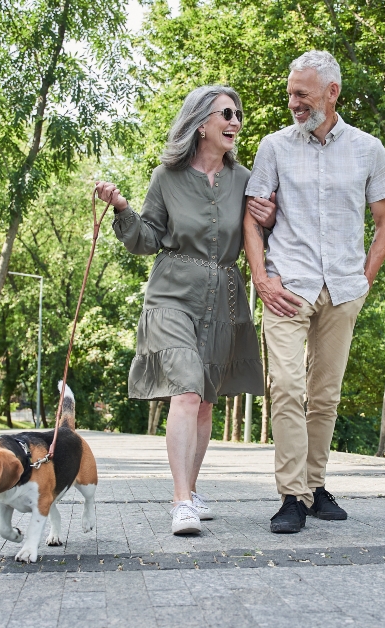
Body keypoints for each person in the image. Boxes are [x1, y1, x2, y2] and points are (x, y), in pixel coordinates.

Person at [96, 85, 272, 535]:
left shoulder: (246, 179)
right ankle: (179, 502)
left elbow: (261, 234)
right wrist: (121, 208)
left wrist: (269, 218)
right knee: (187, 389)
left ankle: (190, 490)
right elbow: (147, 239)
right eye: (226, 114)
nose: (235, 122)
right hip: (172, 295)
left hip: (225, 299)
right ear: (201, 124)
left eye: (238, 114)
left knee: (206, 402)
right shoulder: (166, 178)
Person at [243, 50, 385, 534]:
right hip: (288, 285)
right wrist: (261, 278)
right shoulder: (273, 147)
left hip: (343, 288)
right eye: (291, 93)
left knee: (325, 395)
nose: (293, 102)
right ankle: (292, 494)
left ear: (332, 93)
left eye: (302, 94)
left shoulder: (368, 148)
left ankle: (315, 484)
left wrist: (363, 283)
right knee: (286, 386)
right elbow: (252, 216)